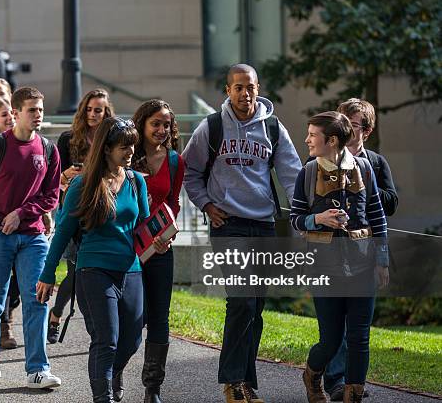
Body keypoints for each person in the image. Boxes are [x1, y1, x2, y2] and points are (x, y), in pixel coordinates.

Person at [182, 63, 302, 403]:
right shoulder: (212, 127)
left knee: (256, 306)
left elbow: (292, 174)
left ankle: (247, 383)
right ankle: (232, 381)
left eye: (249, 86)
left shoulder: (274, 128)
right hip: (228, 225)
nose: (244, 93)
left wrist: (300, 217)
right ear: (227, 90)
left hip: (264, 225)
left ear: (257, 88)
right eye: (237, 87)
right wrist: (205, 204)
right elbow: (189, 172)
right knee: (242, 301)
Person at [37, 117, 167, 403]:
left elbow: (143, 227)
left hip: (130, 268)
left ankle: (112, 373)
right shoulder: (83, 185)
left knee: (132, 339)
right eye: (124, 146)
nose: (131, 152)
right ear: (106, 148)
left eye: (132, 146)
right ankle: (103, 397)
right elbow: (62, 234)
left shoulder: (135, 181)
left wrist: (158, 239)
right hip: (94, 270)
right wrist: (48, 274)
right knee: (106, 339)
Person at [0, 87, 62, 388]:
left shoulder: (48, 149)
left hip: (32, 236)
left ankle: (37, 370)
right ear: (16, 113)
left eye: (41, 109)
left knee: (37, 299)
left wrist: (23, 212)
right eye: (32, 110)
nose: (38, 115)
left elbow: (51, 196)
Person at [290, 111, 389, 403]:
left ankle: (353, 396)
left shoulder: (365, 169)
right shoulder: (307, 173)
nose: (307, 139)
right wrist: (318, 218)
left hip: (362, 265)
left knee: (359, 337)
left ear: (331, 140)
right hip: (325, 268)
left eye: (312, 134)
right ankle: (312, 374)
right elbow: (296, 219)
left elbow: (377, 216)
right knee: (331, 341)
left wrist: (382, 260)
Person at [322, 99, 398, 401]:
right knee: (333, 325)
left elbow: (390, 204)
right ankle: (334, 381)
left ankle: (353, 384)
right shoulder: (325, 159)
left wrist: (363, 180)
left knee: (358, 326)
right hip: (330, 254)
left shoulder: (376, 164)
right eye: (343, 123)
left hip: (364, 255)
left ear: (366, 130)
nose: (346, 130)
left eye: (353, 125)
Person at [47, 88, 115, 344]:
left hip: (102, 209)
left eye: (98, 110)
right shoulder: (68, 139)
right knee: (75, 269)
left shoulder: (111, 139)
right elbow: (55, 177)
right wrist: (67, 176)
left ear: (106, 112)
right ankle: (56, 315)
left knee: (88, 270)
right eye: (88, 109)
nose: (93, 114)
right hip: (73, 208)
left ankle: (99, 329)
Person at [131, 99, 184, 403]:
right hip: (127, 247)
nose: (162, 129)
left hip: (160, 248)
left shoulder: (175, 161)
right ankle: (114, 374)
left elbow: (174, 202)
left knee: (160, 317)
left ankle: (153, 388)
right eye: (156, 123)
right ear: (142, 125)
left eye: (166, 124)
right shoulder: (126, 155)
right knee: (132, 316)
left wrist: (166, 234)